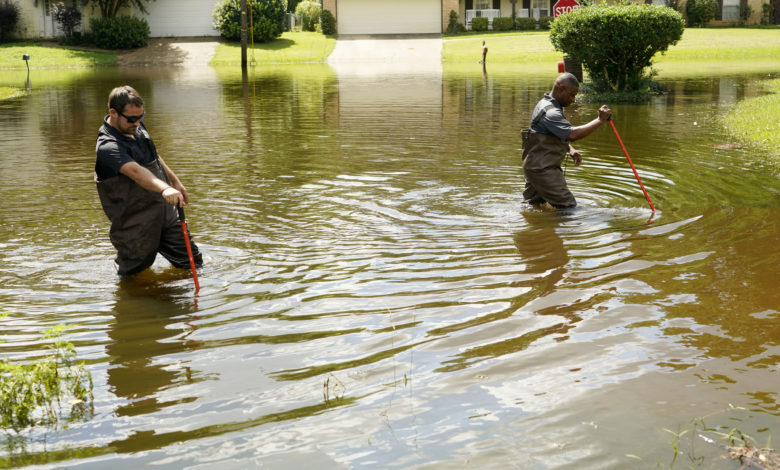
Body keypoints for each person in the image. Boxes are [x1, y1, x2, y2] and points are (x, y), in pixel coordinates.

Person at [95, 85, 203, 276]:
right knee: (133, 275)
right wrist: (164, 189)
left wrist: (174, 182)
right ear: (113, 112)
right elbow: (136, 172)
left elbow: (154, 155)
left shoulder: (136, 126)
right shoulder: (107, 147)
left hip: (166, 214)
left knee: (193, 263)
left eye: (141, 116)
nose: (137, 123)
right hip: (136, 224)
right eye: (132, 118)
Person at [522, 72, 612, 209]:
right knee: (569, 207)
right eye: (572, 94)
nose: (573, 99)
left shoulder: (546, 104)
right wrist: (600, 120)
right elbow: (572, 134)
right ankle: (566, 230)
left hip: (534, 167)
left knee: (533, 206)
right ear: (560, 88)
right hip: (542, 170)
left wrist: (570, 149)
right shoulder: (550, 112)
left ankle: (534, 228)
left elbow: (552, 134)